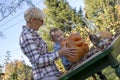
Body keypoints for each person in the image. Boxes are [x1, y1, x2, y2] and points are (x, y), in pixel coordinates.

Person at [19, 6, 78, 80]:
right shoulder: (27, 36)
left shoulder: (33, 34)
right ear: (33, 20)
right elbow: (38, 61)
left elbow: (44, 55)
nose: (43, 23)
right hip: (45, 76)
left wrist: (59, 51)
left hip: (52, 74)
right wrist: (59, 53)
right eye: (41, 20)